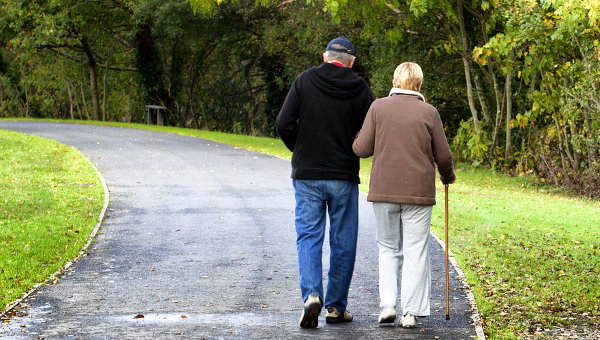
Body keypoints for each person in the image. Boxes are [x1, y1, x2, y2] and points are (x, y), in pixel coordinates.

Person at [275, 36, 374, 328]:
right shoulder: (360, 89)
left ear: (324, 56)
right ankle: (335, 307)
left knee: (308, 236)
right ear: (351, 61)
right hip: (343, 175)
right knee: (343, 240)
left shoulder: (305, 81)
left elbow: (283, 123)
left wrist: (300, 149)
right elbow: (372, 129)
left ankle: (311, 297)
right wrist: (358, 150)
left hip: (307, 174)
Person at [352, 62, 455, 328]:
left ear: (395, 81)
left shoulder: (377, 107)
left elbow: (362, 149)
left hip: (384, 190)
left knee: (387, 248)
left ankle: (388, 304)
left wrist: (356, 138)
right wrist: (447, 176)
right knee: (415, 250)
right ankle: (410, 312)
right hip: (418, 192)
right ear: (419, 85)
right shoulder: (429, 112)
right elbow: (443, 156)